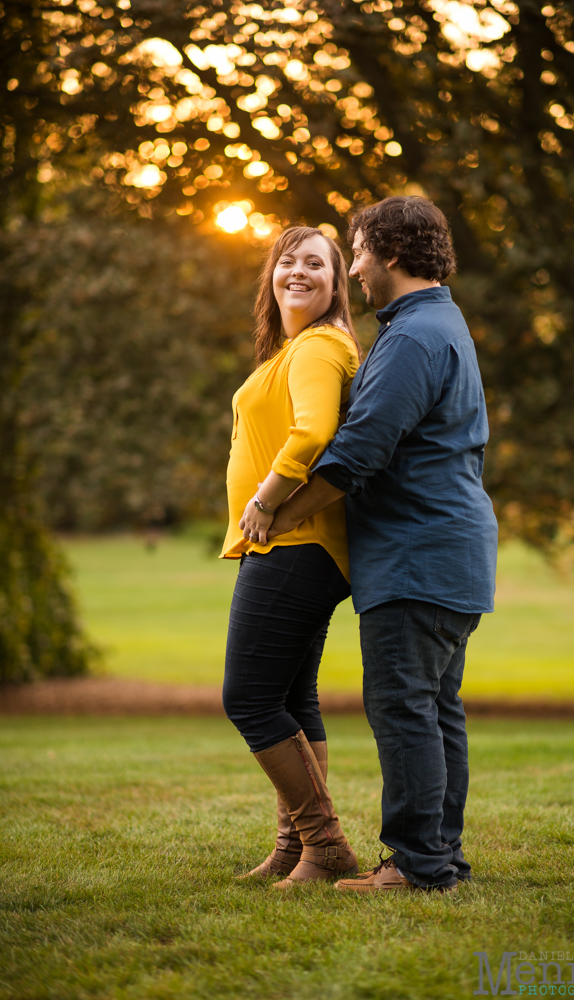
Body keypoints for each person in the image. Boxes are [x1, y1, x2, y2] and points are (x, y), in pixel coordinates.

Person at [266, 196, 498, 894]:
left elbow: (355, 454)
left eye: (358, 250)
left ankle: (416, 865)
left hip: (416, 554)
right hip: (446, 551)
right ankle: (438, 859)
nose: (355, 266)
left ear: (391, 253)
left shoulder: (413, 337)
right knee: (433, 712)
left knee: (403, 709)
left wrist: (276, 514)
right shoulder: (434, 323)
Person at [220, 226, 361, 889]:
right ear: (270, 275)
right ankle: (294, 849)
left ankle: (325, 845)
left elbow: (313, 431)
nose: (297, 271)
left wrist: (264, 500)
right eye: (288, 260)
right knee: (290, 696)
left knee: (248, 697)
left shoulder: (319, 345)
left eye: (316, 263)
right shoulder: (295, 349)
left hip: (294, 540)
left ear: (337, 285)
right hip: (301, 546)